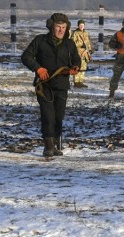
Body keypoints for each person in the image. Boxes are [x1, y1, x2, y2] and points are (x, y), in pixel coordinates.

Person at [21, 13, 81, 157]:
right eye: (58, 27)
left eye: (63, 27)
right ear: (51, 27)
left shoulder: (69, 44)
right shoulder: (40, 40)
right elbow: (26, 57)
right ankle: (48, 147)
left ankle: (56, 144)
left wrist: (75, 68)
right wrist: (38, 68)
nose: (61, 30)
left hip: (62, 86)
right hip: (44, 86)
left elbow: (76, 60)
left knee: (58, 117)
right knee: (48, 116)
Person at [70, 19, 93, 88]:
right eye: (80, 25)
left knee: (83, 67)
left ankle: (80, 81)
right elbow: (72, 43)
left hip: (85, 53)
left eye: (82, 25)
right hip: (78, 53)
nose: (81, 26)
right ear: (78, 25)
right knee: (77, 67)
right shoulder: (75, 33)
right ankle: (76, 82)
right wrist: (80, 44)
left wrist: (90, 49)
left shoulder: (86, 33)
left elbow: (88, 42)